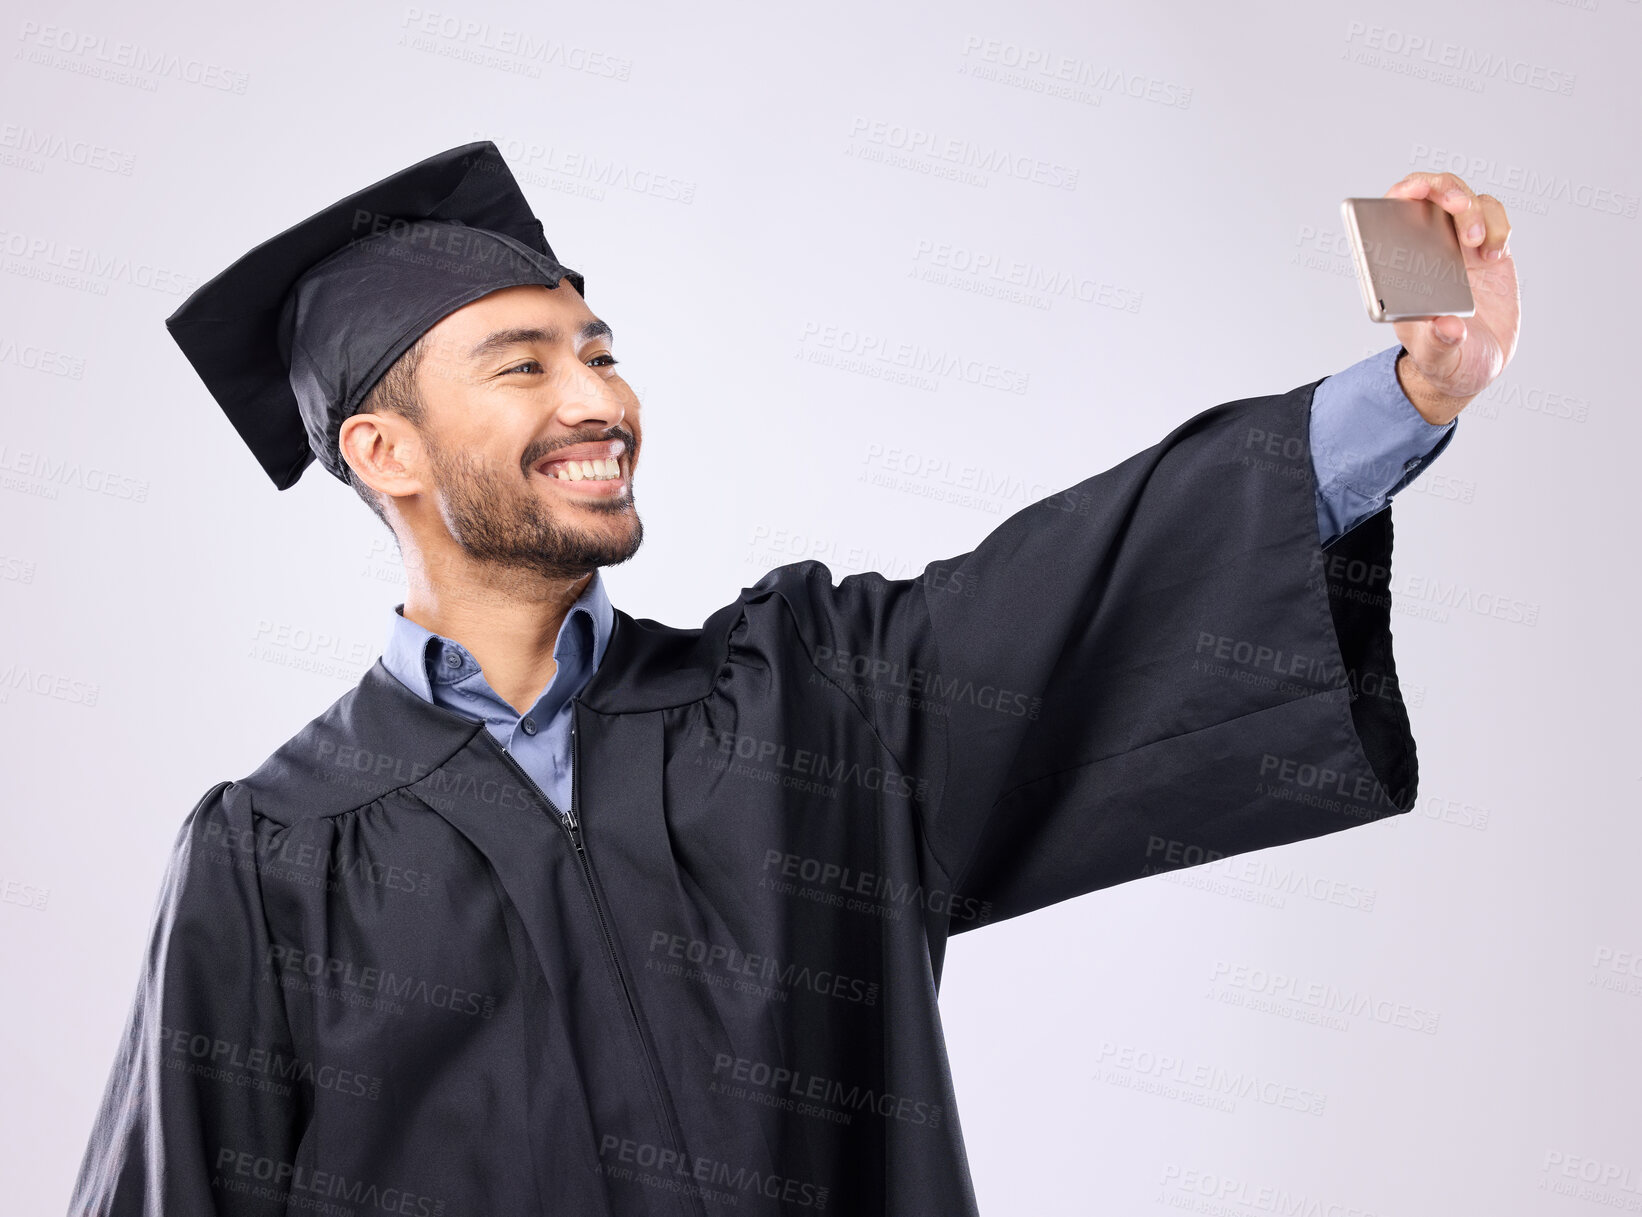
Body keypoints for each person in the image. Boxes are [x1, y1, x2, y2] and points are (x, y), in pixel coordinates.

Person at [69, 142, 1518, 1217]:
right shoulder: (269, 858)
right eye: (522, 366)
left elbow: (1084, 585)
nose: (596, 400)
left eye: (599, 351)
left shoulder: (806, 706)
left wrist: (1408, 395)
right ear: (383, 452)